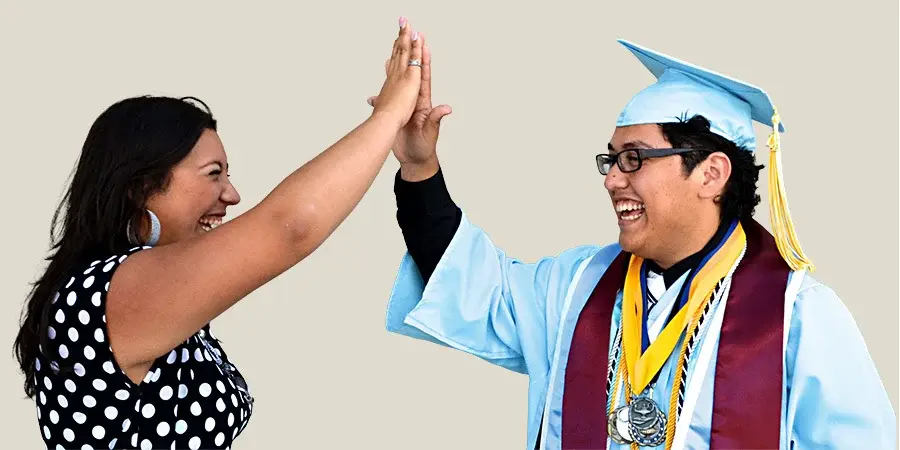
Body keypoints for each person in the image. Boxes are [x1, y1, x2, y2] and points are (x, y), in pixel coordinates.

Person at [379, 38, 896, 449]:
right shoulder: (575, 287)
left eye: (634, 159)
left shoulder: (797, 318)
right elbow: (474, 284)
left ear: (712, 174)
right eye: (611, 160)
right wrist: (420, 168)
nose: (611, 180)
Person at [14, 17, 425, 450]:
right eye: (213, 174)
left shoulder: (138, 294)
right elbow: (289, 228)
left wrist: (415, 164)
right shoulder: (107, 294)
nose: (231, 194)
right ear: (141, 189)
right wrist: (389, 114)